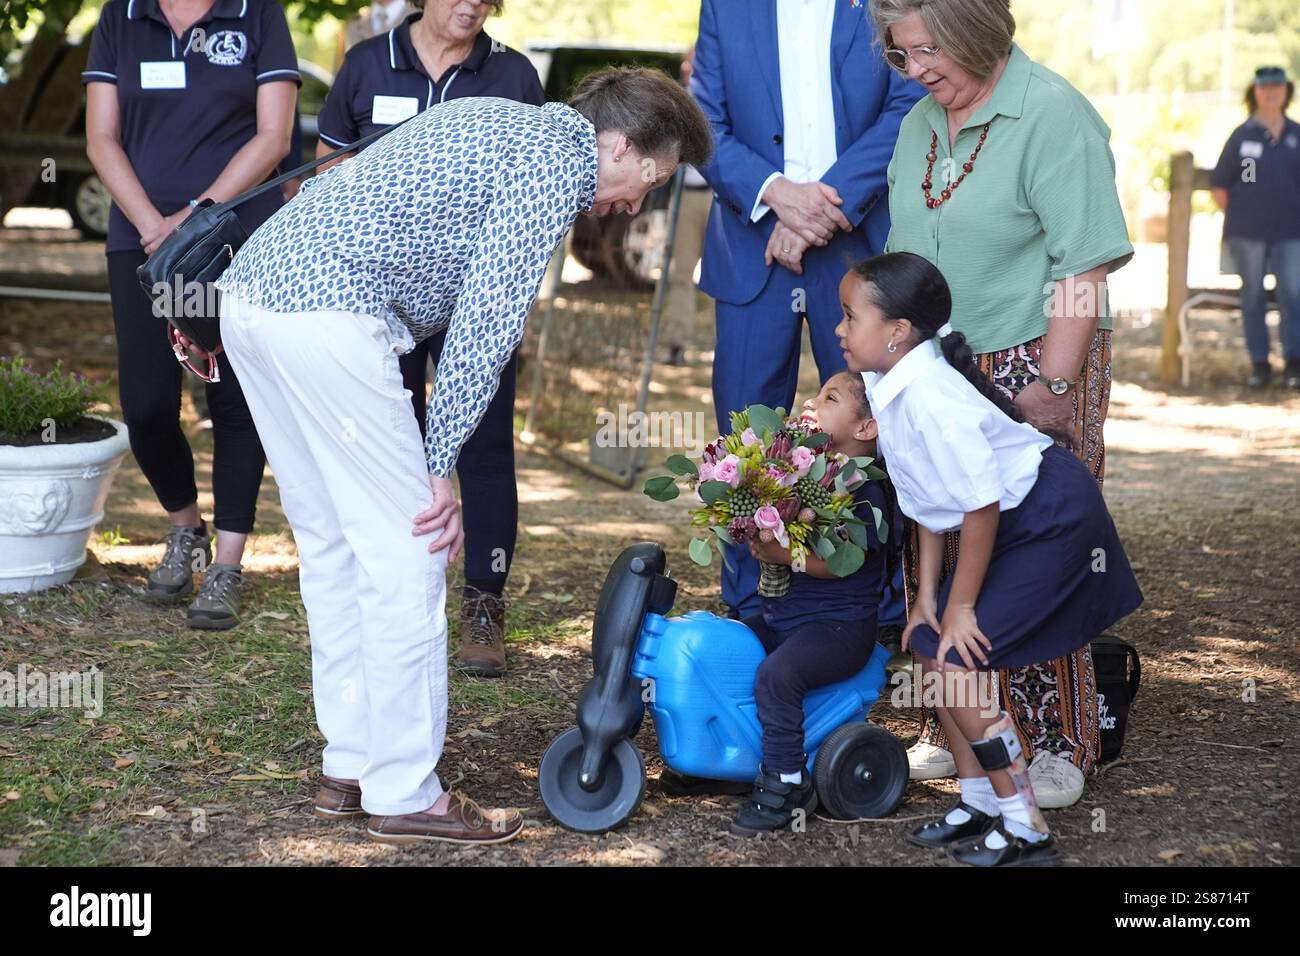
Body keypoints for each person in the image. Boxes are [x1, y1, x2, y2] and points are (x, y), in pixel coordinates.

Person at [211, 69, 712, 845]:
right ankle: (405, 791)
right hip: (329, 313)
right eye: (649, 179)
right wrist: (438, 463)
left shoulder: (506, 121)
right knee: (414, 550)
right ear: (617, 143)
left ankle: (351, 763)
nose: (636, 203)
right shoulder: (555, 161)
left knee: (336, 544)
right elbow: (485, 326)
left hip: (255, 300)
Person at [869, 0, 1134, 807]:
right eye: (903, 55)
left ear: (973, 30)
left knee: (1038, 553)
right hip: (938, 368)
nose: (916, 71)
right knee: (942, 539)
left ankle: (1063, 740)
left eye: (928, 51)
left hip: (1030, 362)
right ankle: (964, 732)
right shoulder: (919, 125)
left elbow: (1082, 266)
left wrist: (1053, 385)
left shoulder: (1053, 113)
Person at [839, 252, 1142, 865]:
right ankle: (978, 799)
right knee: (929, 644)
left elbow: (979, 503)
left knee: (954, 660)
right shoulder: (887, 380)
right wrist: (928, 600)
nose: (840, 330)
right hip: (1016, 516)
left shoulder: (928, 397)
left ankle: (1025, 826)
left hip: (1051, 518)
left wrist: (964, 606)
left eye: (849, 317)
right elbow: (923, 494)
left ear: (897, 332)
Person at [315, 0, 543, 678]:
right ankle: (399, 595)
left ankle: (483, 604)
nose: (470, 4)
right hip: (383, 296)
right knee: (392, 439)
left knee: (483, 444)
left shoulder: (513, 76)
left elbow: (533, 187)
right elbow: (327, 170)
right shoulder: (365, 64)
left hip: (480, 296)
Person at [690, 0, 923, 621]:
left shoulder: (881, 8)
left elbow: (907, 106)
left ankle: (885, 610)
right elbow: (703, 120)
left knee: (878, 426)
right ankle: (749, 608)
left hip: (855, 240)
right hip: (751, 243)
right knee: (744, 436)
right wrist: (776, 196)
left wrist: (820, 208)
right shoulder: (724, 7)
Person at [82, 0, 299, 630]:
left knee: (232, 398)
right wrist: (154, 225)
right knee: (146, 406)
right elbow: (101, 136)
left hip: (235, 236)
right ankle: (185, 531)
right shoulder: (120, 17)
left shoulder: (257, 15)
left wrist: (195, 216)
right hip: (140, 240)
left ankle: (228, 562)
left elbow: (275, 137)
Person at [731, 371, 894, 836]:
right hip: (787, 616)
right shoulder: (804, 477)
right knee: (731, 642)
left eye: (830, 398)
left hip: (839, 630)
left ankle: (786, 781)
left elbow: (846, 561)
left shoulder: (866, 491)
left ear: (866, 429)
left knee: (778, 675)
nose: (811, 402)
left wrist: (786, 555)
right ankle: (724, 757)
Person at [1211, 66, 1300, 391]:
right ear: (1255, 92)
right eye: (1265, 87)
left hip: (1292, 233)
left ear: (1287, 91)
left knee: (1294, 294)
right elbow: (1220, 184)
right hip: (1247, 233)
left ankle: (1294, 364)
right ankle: (1259, 365)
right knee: (1253, 296)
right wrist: (1246, 215)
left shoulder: (1296, 134)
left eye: (1278, 86)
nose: (1271, 92)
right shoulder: (1241, 135)